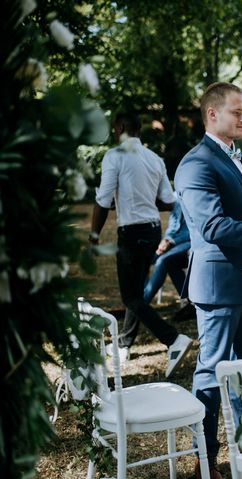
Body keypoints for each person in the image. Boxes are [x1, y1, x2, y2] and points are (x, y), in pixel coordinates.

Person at [174, 82, 242, 479]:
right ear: (212, 114)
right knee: (212, 370)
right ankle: (205, 458)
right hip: (220, 286)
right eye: (237, 112)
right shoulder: (195, 163)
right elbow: (215, 227)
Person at [89, 112, 192, 376]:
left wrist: (94, 236)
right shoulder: (154, 158)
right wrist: (143, 197)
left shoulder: (115, 155)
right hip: (153, 230)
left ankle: (172, 339)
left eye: (115, 129)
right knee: (137, 291)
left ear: (122, 127)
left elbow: (102, 200)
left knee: (131, 297)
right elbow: (168, 200)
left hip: (132, 233)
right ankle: (124, 343)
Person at [143, 201, 194, 321]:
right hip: (171, 241)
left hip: (188, 241)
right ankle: (139, 297)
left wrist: (170, 242)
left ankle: (143, 302)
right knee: (143, 259)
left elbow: (194, 229)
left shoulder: (192, 192)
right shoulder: (175, 196)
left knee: (164, 261)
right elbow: (173, 226)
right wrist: (166, 240)